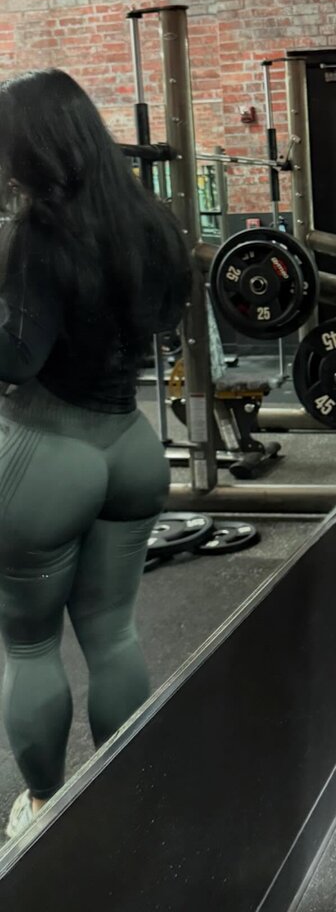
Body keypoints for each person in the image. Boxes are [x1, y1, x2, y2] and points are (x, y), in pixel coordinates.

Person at [0, 69, 190, 839]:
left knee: (30, 644)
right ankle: (124, 808)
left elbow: (16, 357)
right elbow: (166, 319)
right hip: (131, 448)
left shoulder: (38, 234)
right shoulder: (149, 221)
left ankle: (44, 811)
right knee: (113, 636)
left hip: (49, 453)